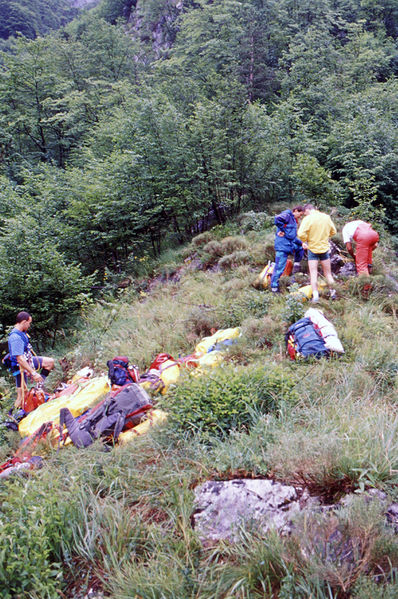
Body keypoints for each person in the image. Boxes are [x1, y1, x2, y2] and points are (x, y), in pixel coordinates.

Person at [8, 311, 55, 408]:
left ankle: (39, 389)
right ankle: (16, 416)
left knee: (49, 362)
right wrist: (33, 373)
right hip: (19, 367)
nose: (29, 325)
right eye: (29, 323)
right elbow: (19, 359)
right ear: (24, 322)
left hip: (28, 360)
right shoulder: (15, 337)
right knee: (21, 396)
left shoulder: (22, 333)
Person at [297, 204, 337, 302]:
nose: (305, 215)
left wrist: (306, 240)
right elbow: (334, 232)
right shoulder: (326, 217)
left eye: (305, 213)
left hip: (312, 249)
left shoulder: (308, 219)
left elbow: (300, 234)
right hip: (324, 249)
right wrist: (325, 237)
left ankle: (315, 297)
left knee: (313, 273)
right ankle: (333, 293)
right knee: (328, 273)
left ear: (307, 210)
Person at [270, 206, 305, 293]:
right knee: (279, 268)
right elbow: (277, 218)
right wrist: (282, 230)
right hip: (282, 247)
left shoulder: (293, 220)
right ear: (296, 211)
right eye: (300, 214)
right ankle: (274, 287)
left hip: (289, 245)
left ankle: (295, 268)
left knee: (300, 248)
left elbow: (292, 237)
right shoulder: (287, 215)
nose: (300, 217)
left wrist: (302, 243)